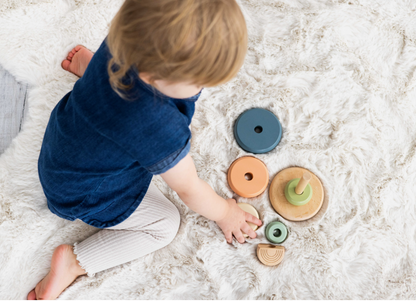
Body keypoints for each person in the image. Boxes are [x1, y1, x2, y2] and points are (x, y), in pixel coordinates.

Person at [27, 0, 262, 299]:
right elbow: (189, 188)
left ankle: (91, 72)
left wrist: (95, 68)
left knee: (104, 96)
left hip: (65, 142)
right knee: (165, 224)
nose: (202, 88)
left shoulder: (127, 36)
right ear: (156, 79)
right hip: (83, 191)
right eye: (199, 82)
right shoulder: (157, 124)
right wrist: (226, 212)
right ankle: (73, 263)